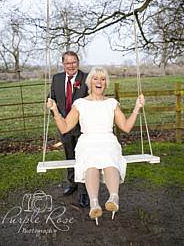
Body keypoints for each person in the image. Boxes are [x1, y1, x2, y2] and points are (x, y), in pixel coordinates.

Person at [47, 67, 145, 225]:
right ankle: (94, 203)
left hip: (108, 139)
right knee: (90, 162)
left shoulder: (112, 103)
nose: (99, 81)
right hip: (87, 140)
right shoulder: (80, 104)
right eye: (95, 78)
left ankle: (113, 197)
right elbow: (65, 127)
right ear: (89, 82)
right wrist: (55, 110)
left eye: (103, 79)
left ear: (106, 84)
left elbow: (125, 127)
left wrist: (137, 108)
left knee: (110, 159)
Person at [49, 50, 89, 208]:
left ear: (78, 62)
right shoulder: (57, 78)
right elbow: (51, 97)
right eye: (68, 63)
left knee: (83, 158)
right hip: (64, 126)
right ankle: (72, 183)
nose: (71, 65)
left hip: (82, 126)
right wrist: (52, 109)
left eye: (74, 62)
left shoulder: (86, 78)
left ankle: (83, 190)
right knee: (69, 155)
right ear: (63, 64)